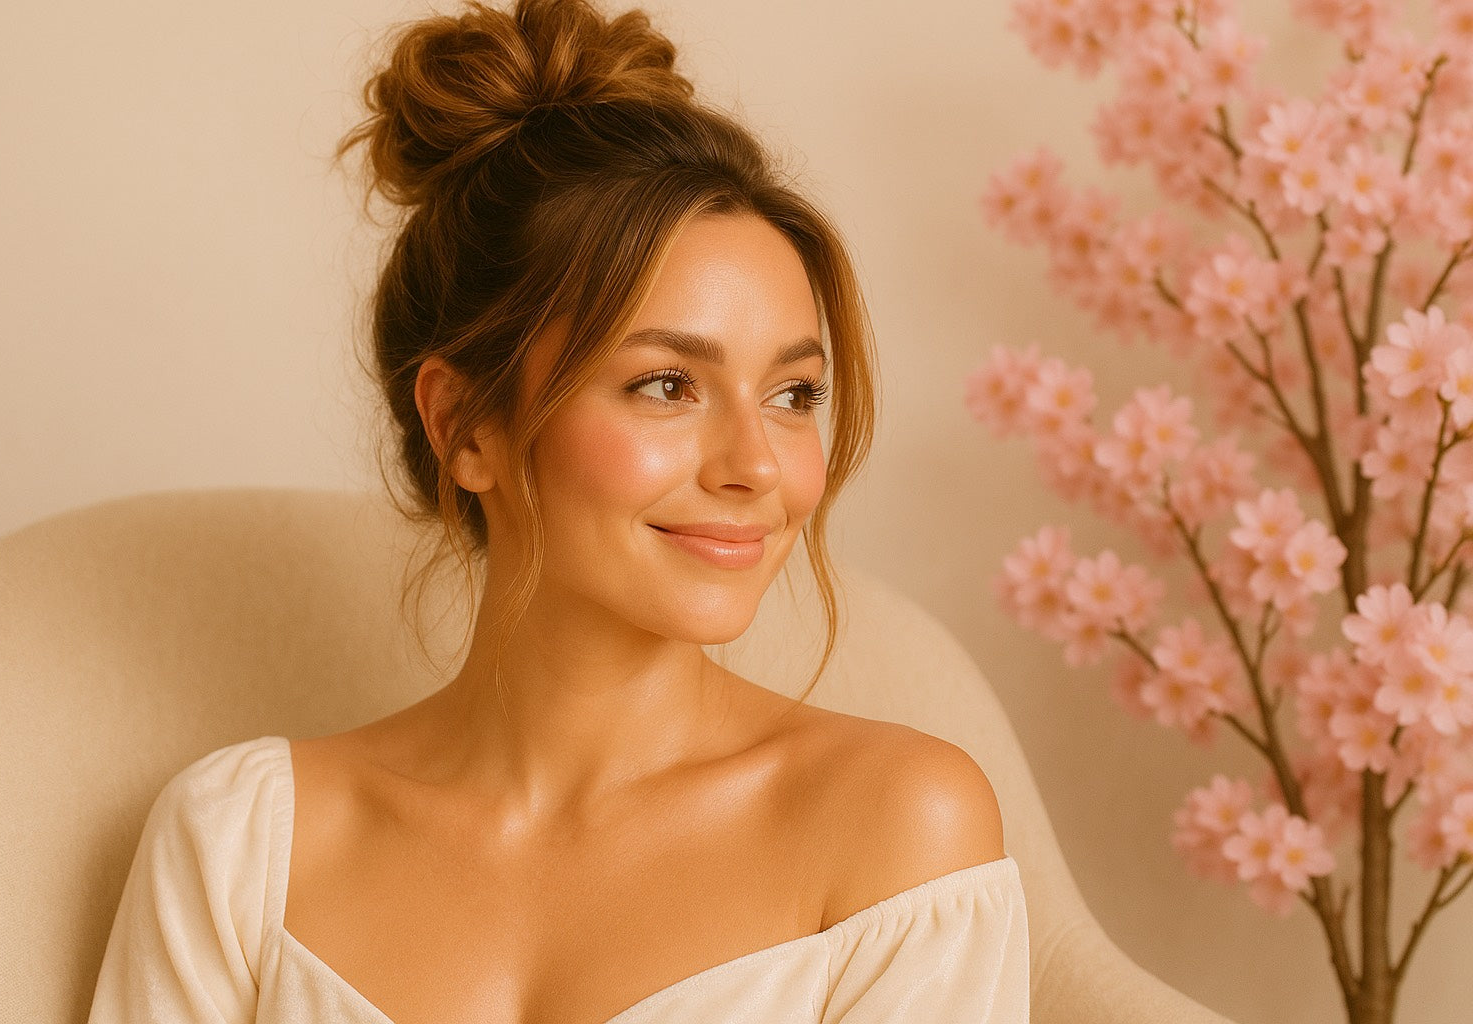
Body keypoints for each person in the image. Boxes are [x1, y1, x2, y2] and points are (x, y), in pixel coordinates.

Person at [84, 0, 1029, 1020]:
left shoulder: (896, 828)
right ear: (468, 425)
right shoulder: (244, 845)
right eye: (667, 384)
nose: (758, 465)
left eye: (794, 395)